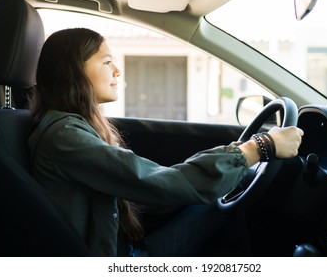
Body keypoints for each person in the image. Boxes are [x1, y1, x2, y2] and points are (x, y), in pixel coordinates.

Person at [28, 28, 304, 257]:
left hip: (125, 248)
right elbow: (156, 182)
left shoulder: (74, 127)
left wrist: (239, 159)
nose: (117, 71)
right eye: (107, 62)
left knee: (220, 196)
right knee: (222, 201)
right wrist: (258, 148)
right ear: (74, 71)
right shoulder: (65, 136)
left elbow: (152, 185)